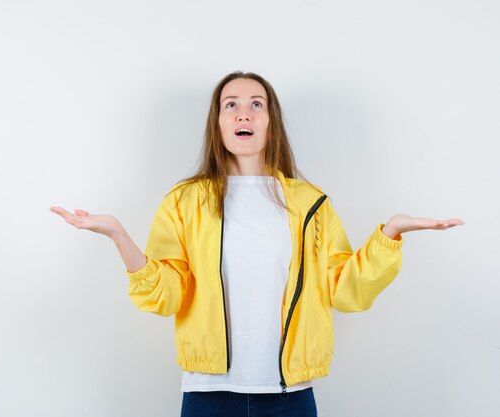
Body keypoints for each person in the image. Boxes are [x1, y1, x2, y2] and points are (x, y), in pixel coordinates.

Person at [50, 71, 464, 417]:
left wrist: (389, 234)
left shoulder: (309, 203)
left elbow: (344, 289)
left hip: (291, 397)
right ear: (217, 121)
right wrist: (118, 234)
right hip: (208, 395)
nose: (243, 113)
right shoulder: (184, 201)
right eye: (230, 104)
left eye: (256, 104)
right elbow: (167, 295)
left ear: (270, 121)